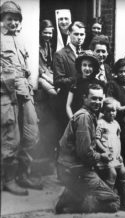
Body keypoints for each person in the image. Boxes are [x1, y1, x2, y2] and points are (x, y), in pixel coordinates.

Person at [56, 83, 120, 213]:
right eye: (94, 98)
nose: (97, 102)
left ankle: (73, 195)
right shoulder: (84, 118)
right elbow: (84, 153)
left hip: (71, 167)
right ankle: (75, 201)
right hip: (75, 169)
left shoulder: (90, 114)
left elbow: (90, 144)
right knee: (114, 203)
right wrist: (102, 156)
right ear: (85, 98)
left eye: (100, 99)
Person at [1, 0, 41, 195]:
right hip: (6, 95)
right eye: (9, 19)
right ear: (2, 20)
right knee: (11, 138)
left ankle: (23, 175)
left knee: (30, 134)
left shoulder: (21, 39)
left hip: (25, 93)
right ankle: (8, 180)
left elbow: (25, 69)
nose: (13, 23)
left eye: (16, 20)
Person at [53, 21, 86, 132]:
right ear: (69, 33)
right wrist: (78, 79)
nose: (79, 37)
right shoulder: (60, 54)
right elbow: (58, 81)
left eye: (82, 34)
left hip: (83, 101)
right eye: (76, 34)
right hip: (67, 101)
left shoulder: (85, 54)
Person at [95, 97, 125, 209]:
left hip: (116, 155)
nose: (111, 113)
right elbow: (96, 139)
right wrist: (104, 150)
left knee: (123, 172)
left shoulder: (116, 124)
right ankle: (108, 200)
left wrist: (119, 154)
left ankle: (123, 200)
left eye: (113, 110)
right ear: (103, 111)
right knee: (112, 174)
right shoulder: (100, 123)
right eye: (108, 110)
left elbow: (118, 140)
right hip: (106, 156)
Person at [35, 19, 59, 160]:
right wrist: (50, 78)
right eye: (45, 32)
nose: (48, 35)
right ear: (40, 32)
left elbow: (49, 64)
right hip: (40, 78)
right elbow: (39, 68)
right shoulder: (36, 46)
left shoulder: (49, 44)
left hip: (47, 73)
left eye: (50, 33)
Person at [66, 50, 100, 119]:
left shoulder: (99, 84)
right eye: (84, 65)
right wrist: (73, 120)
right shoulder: (75, 83)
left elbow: (101, 106)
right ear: (80, 66)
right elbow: (68, 105)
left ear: (94, 67)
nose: (87, 68)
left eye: (90, 66)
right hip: (77, 119)